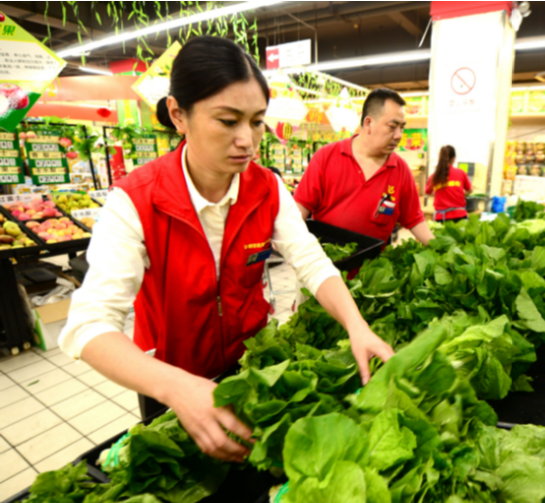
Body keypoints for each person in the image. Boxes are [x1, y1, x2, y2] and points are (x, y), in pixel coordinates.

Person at [58, 36, 394, 463]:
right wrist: (176, 387)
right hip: (167, 378)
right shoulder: (135, 200)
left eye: (256, 122)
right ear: (179, 115)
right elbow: (89, 325)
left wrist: (356, 325)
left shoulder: (267, 188)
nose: (247, 141)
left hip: (249, 367)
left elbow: (310, 259)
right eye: (228, 121)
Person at [293, 88, 434, 247]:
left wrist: (438, 248)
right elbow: (300, 208)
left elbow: (414, 218)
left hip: (374, 262)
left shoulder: (400, 170)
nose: (399, 135)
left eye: (402, 127)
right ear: (368, 123)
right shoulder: (326, 157)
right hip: (325, 260)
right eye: (392, 126)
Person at [425, 145, 472, 223]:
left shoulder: (434, 176)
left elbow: (427, 192)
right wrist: (459, 193)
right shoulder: (461, 173)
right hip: (459, 217)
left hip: (441, 218)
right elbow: (470, 190)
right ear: (453, 159)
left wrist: (439, 193)